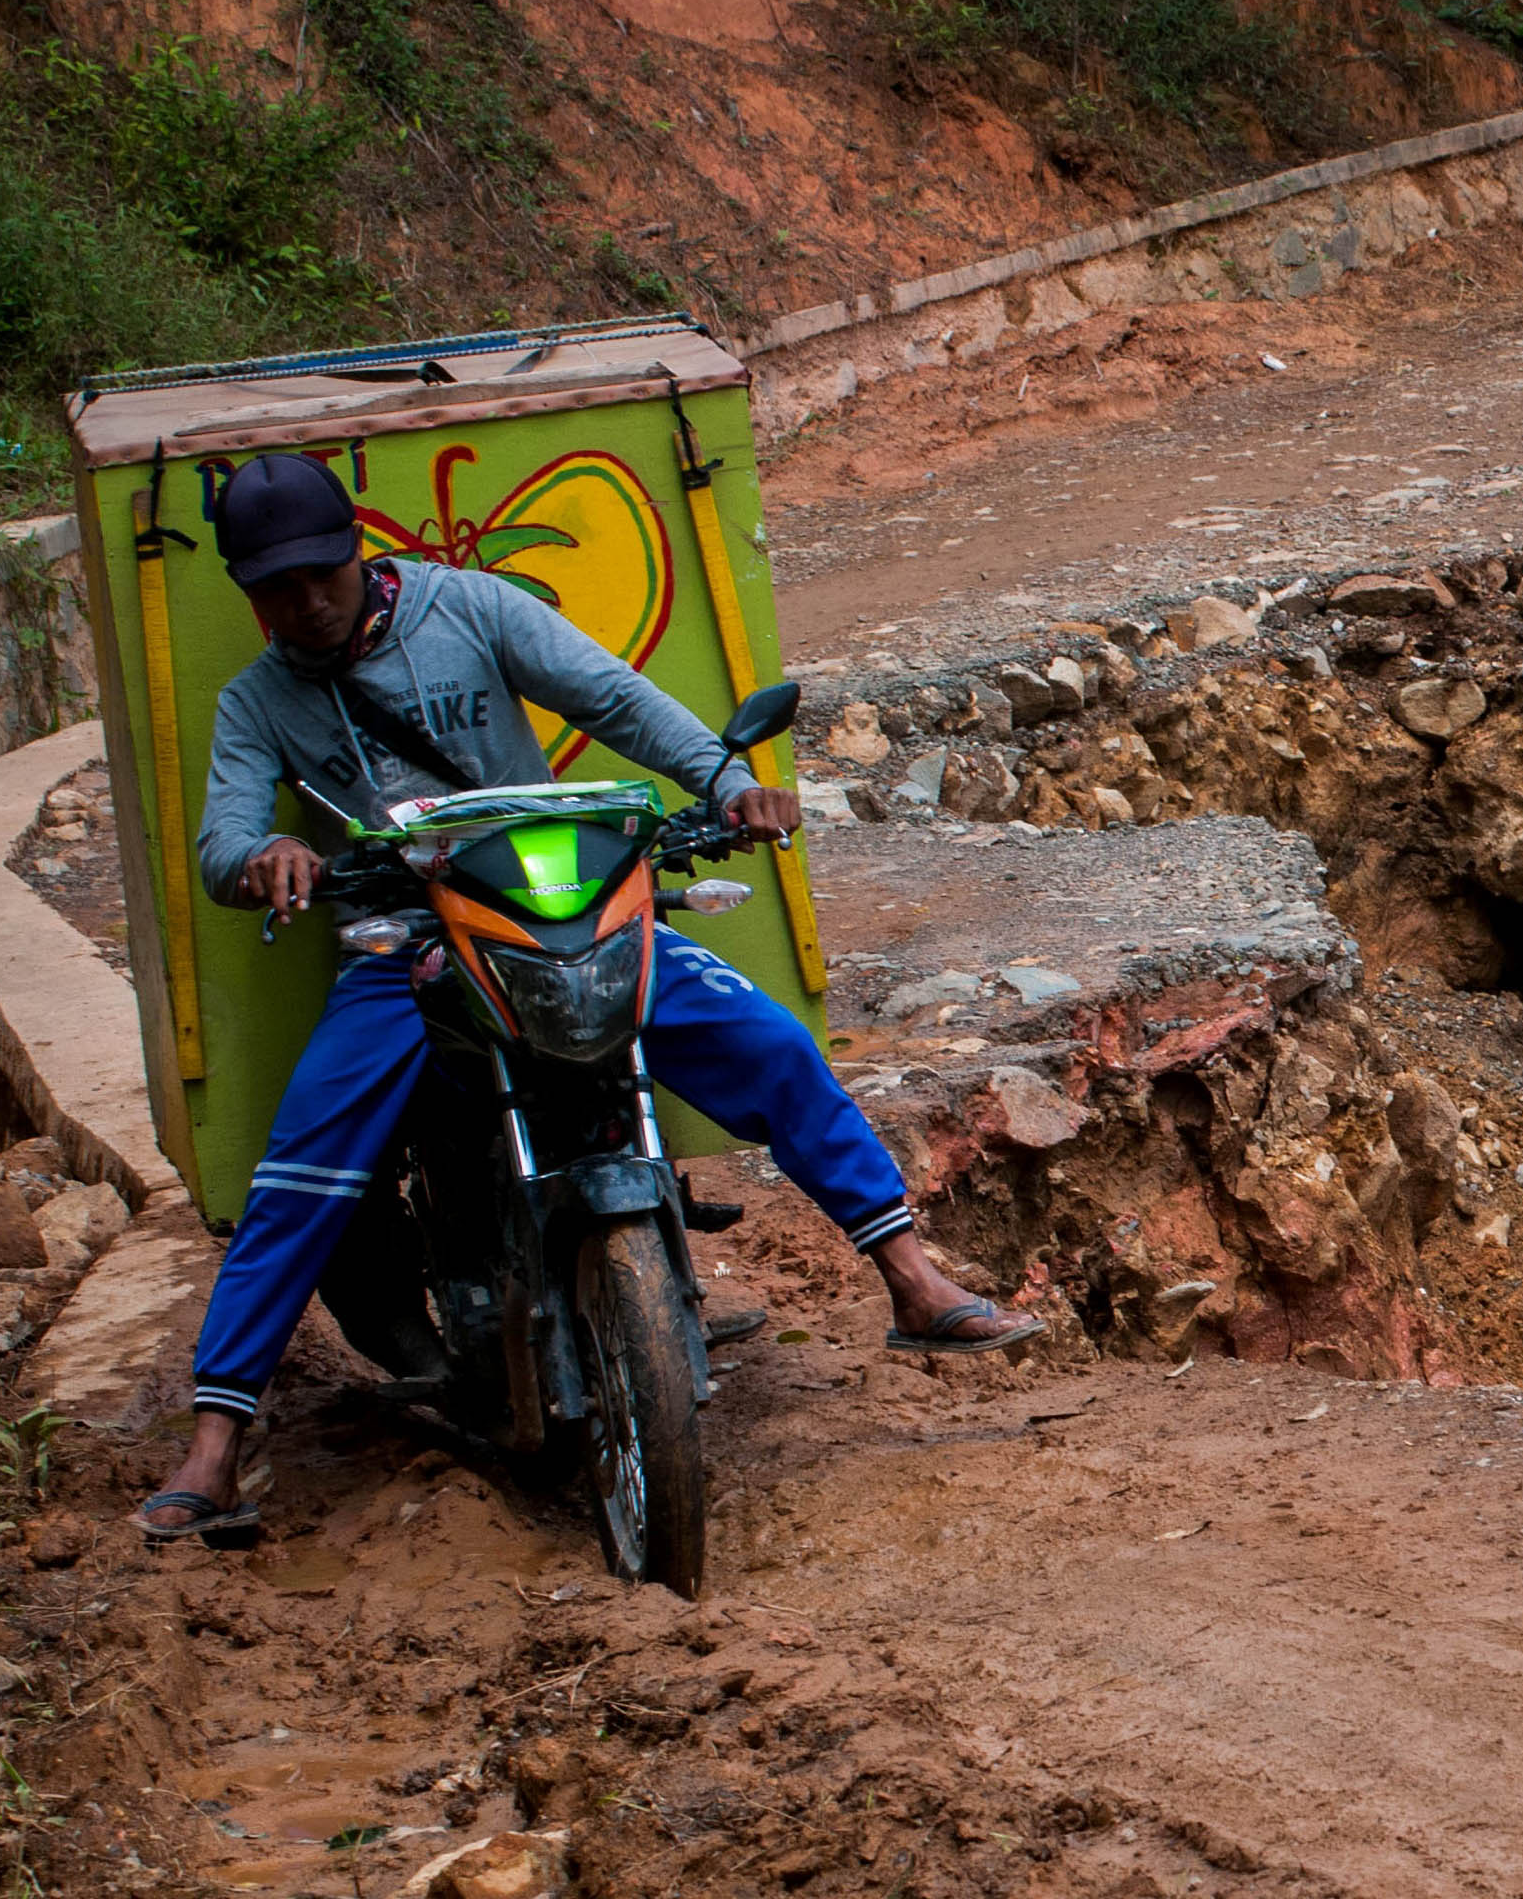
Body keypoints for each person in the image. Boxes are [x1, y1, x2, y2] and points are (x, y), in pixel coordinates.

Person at [134, 453, 1033, 1545]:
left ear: (355, 550)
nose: (302, 601)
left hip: (556, 906)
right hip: (410, 944)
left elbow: (608, 696)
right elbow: (224, 835)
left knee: (769, 1041)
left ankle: (911, 1280)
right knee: (301, 1172)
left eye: (319, 573)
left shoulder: (468, 606)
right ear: (244, 590)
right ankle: (217, 1446)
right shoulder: (257, 701)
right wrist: (266, 852)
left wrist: (723, 779)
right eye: (272, 587)